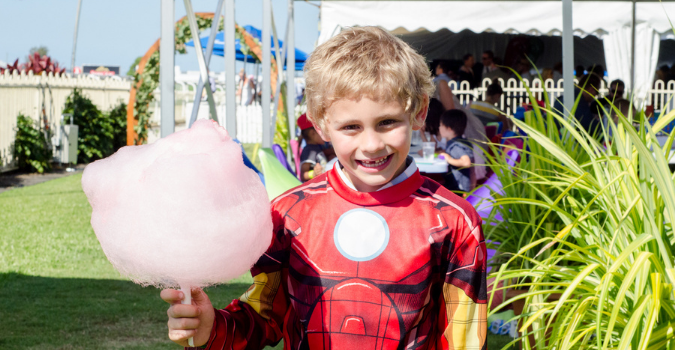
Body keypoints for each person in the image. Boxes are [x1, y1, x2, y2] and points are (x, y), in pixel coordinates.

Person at [161, 26, 487, 349]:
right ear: (320, 124)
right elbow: (264, 316)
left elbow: (463, 338)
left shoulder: (454, 222)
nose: (371, 144)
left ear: (418, 113)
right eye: (351, 127)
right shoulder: (288, 215)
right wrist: (210, 328)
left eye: (387, 122)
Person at [437, 109, 474, 193]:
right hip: (461, 186)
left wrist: (448, 159)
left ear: (449, 129)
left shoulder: (456, 145)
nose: (439, 128)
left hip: (458, 188)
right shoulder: (462, 142)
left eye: (441, 125)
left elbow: (466, 162)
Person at [297, 113, 328, 182]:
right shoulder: (309, 151)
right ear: (312, 133)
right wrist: (313, 173)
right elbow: (302, 175)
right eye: (322, 130)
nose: (326, 133)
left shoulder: (315, 148)